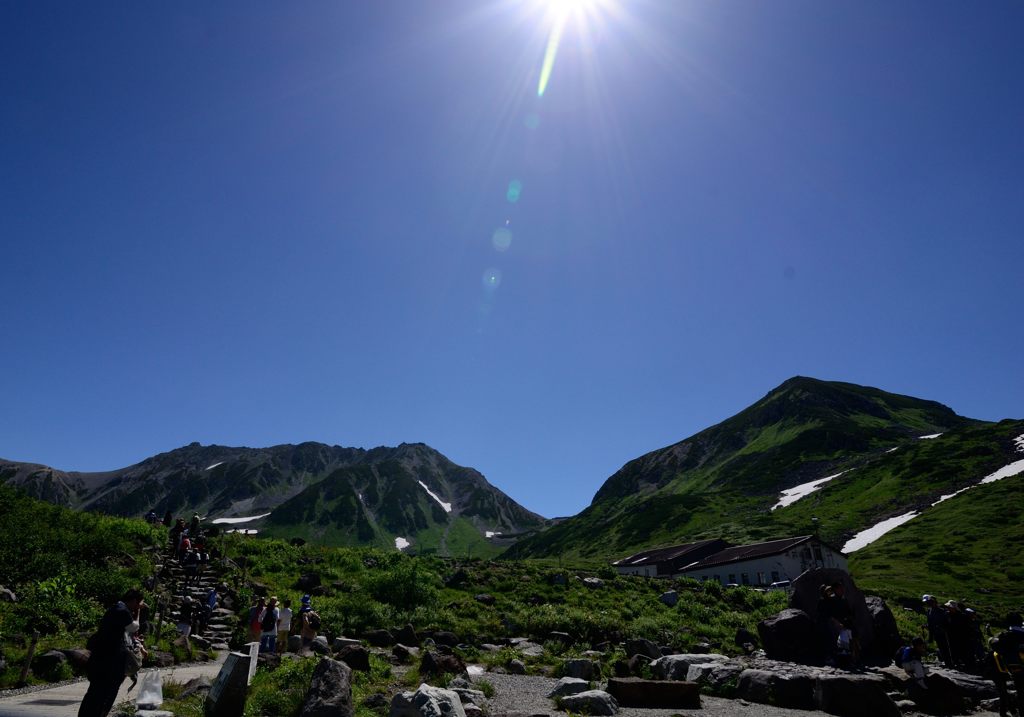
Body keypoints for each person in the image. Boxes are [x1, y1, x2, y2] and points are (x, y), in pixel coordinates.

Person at [79, 588, 146, 717]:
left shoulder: (116, 608)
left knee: (96, 691)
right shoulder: (122, 610)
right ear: (133, 601)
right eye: (138, 603)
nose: (138, 606)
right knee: (101, 692)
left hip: (102, 657)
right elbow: (134, 627)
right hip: (108, 660)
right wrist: (137, 612)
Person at [987, 613, 1024, 717]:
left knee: (1021, 694)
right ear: (1021, 622)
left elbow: (994, 645)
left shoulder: (1004, 635)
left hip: (1015, 669)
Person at [923, 595, 952, 666]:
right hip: (935, 633)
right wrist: (927, 626)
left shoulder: (941, 611)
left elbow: (946, 623)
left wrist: (942, 628)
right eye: (928, 602)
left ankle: (949, 662)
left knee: (946, 648)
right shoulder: (929, 611)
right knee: (941, 647)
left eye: (930, 602)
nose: (929, 604)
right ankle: (946, 661)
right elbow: (930, 623)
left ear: (935, 602)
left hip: (943, 633)